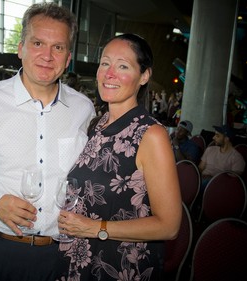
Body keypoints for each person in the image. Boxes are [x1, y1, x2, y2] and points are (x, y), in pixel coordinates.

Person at [0, 3, 95, 281]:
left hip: (57, 252)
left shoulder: (83, 109)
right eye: (38, 43)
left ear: (68, 56)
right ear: (21, 47)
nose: (47, 55)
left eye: (58, 47)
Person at [56, 33, 182, 281]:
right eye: (105, 63)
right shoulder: (97, 124)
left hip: (119, 265)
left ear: (144, 76)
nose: (109, 73)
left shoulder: (150, 135)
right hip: (79, 259)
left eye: (122, 66)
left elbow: (169, 226)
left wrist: (95, 229)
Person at [198, 124, 245, 190]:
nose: (213, 137)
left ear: (226, 139)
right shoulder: (210, 149)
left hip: (217, 187)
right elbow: (200, 168)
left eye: (217, 135)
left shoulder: (237, 158)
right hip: (201, 180)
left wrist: (212, 178)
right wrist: (196, 176)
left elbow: (232, 182)